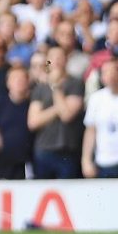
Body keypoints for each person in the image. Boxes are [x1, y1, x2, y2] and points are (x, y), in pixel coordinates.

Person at [30, 45, 84, 179]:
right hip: (44, 150)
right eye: (53, 57)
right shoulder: (41, 87)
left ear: (66, 60)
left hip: (68, 150)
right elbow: (33, 122)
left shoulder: (76, 83)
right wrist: (60, 107)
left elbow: (67, 116)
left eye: (60, 57)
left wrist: (55, 87)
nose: (57, 60)